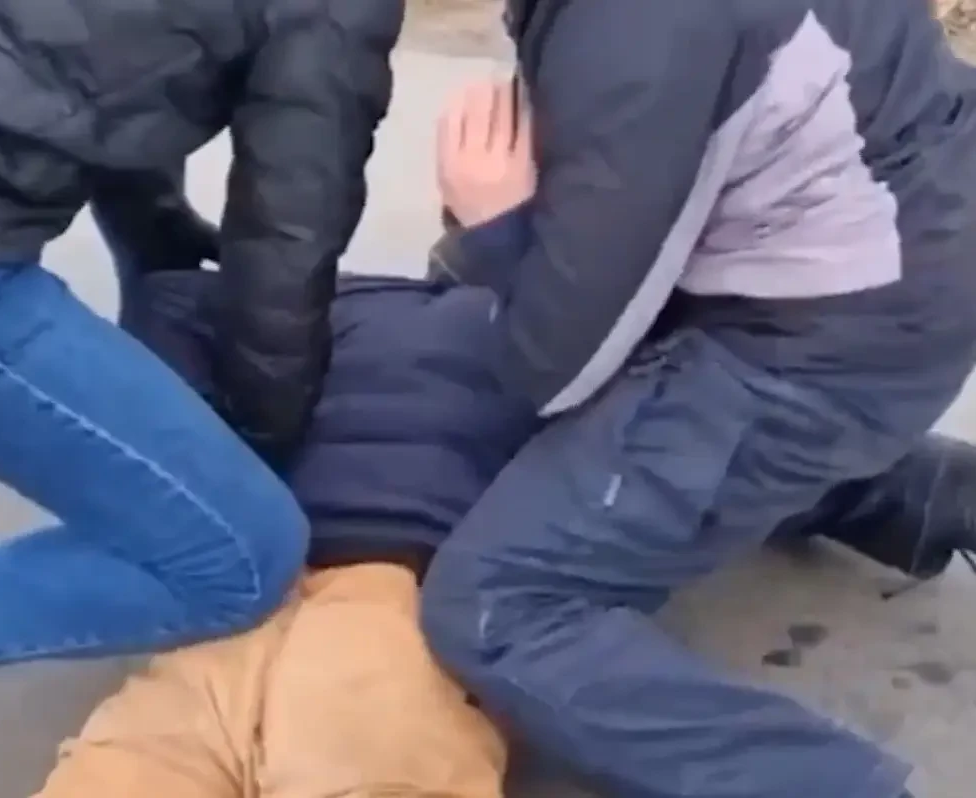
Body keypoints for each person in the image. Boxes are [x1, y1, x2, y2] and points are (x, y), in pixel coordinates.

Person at [32, 251, 976, 798]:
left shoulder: (305, 303)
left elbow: (157, 318)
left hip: (276, 606)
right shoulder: (585, 345)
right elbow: (747, 449)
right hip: (353, 616)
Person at [0, 0, 402, 791]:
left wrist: (156, 232)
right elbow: (287, 241)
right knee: (239, 557)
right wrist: (254, 440)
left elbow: (101, 54)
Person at [417, 2, 976, 797]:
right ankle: (925, 496)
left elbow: (560, 367)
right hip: (904, 248)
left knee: (495, 602)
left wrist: (494, 231)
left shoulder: (637, 27)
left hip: (830, 335)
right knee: (603, 417)